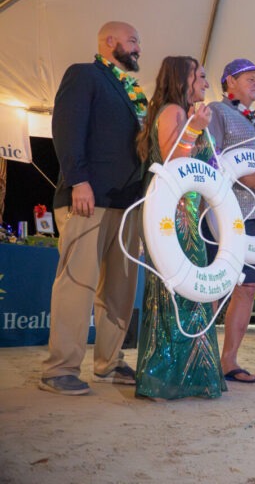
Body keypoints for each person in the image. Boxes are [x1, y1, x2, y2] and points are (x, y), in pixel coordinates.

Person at [40, 22, 145, 395]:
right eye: (133, 41)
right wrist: (77, 179)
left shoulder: (132, 92)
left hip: (127, 205)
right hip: (88, 197)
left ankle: (109, 362)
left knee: (120, 289)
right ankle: (60, 368)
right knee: (77, 283)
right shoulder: (84, 75)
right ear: (110, 41)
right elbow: (66, 127)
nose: (138, 49)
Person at [133, 56, 226, 399]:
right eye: (199, 75)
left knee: (193, 287)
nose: (205, 80)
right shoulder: (173, 112)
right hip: (174, 213)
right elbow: (174, 161)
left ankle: (191, 373)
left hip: (187, 209)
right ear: (182, 79)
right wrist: (195, 129)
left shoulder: (183, 113)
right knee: (178, 287)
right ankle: (167, 374)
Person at [206, 59, 255, 383]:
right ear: (229, 81)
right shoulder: (217, 112)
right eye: (250, 78)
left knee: (247, 289)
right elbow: (210, 159)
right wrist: (247, 181)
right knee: (215, 285)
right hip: (224, 213)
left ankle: (229, 362)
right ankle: (200, 357)